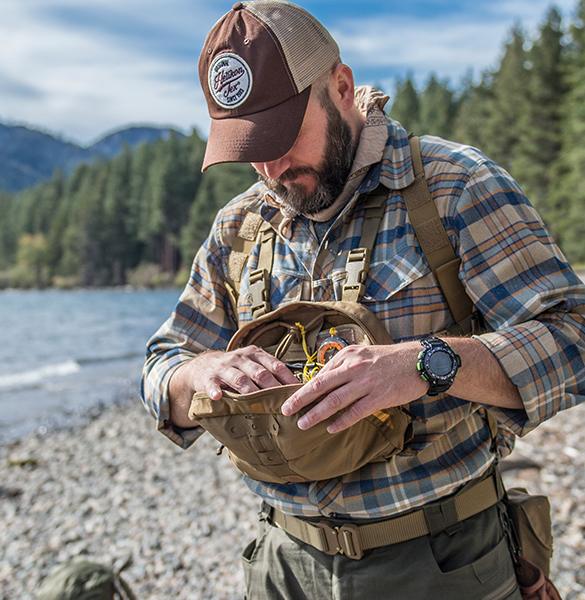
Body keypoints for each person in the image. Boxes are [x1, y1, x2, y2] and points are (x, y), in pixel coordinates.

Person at [140, 1, 585, 598]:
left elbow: (573, 336)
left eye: (285, 135)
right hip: (282, 566)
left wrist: (428, 365)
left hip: (441, 564)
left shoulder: (455, 187)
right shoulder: (238, 226)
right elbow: (160, 365)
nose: (272, 168)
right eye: (252, 145)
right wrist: (199, 370)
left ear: (342, 87)